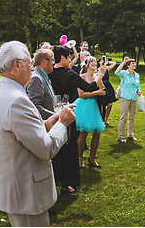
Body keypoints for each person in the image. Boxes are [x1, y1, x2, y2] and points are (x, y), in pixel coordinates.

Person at [0, 41, 75, 227]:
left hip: (16, 189)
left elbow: (16, 131)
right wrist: (63, 123)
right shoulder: (17, 100)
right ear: (17, 65)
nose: (33, 67)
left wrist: (47, 123)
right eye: (29, 62)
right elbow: (46, 148)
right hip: (26, 194)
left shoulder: (1, 91)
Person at [48, 45, 101, 194]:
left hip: (49, 115)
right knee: (68, 146)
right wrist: (100, 76)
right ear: (63, 58)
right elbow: (89, 87)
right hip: (67, 114)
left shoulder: (47, 74)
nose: (70, 60)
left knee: (51, 146)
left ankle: (52, 179)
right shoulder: (69, 75)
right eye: (69, 57)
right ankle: (66, 183)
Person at [75, 56, 107, 168]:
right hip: (84, 106)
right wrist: (96, 93)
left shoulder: (97, 77)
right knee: (83, 133)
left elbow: (102, 89)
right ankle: (79, 159)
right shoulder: (82, 77)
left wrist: (100, 78)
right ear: (86, 65)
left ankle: (92, 158)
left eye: (95, 62)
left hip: (94, 106)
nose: (94, 63)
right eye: (91, 62)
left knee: (97, 133)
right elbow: (81, 94)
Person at [115, 56, 142, 142]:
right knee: (123, 117)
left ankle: (130, 135)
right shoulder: (124, 73)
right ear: (128, 65)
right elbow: (116, 72)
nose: (134, 65)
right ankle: (121, 136)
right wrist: (123, 62)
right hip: (125, 97)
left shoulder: (137, 75)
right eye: (132, 63)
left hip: (133, 98)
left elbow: (137, 86)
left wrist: (139, 91)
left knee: (132, 117)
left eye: (135, 63)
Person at [27, 49, 56, 120]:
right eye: (52, 60)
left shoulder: (42, 76)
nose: (54, 63)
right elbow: (35, 106)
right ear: (44, 61)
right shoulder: (36, 78)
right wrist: (57, 116)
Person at [94, 55, 117, 127]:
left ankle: (106, 119)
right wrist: (101, 65)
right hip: (101, 85)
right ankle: (100, 119)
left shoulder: (107, 69)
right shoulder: (97, 70)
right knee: (102, 105)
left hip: (108, 86)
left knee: (110, 103)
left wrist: (107, 62)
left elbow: (114, 63)